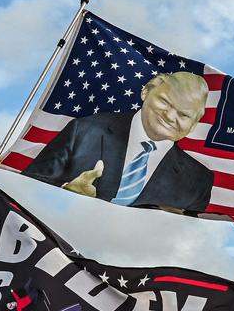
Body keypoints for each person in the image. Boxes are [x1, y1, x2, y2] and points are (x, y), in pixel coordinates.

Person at [23, 71, 214, 213]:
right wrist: (66, 192)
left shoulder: (198, 181)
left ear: (193, 125)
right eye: (165, 102)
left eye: (184, 114)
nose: (171, 116)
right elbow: (27, 189)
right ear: (146, 92)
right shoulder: (85, 130)